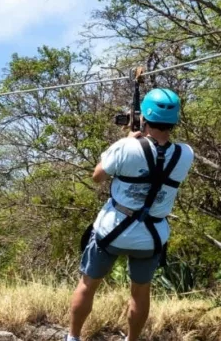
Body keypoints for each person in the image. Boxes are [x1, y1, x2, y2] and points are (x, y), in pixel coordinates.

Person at [67, 88, 195, 341]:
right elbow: (159, 158)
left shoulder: (126, 146)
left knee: (88, 284)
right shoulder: (185, 154)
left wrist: (127, 139)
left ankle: (73, 337)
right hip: (151, 237)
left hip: (112, 231)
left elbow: (97, 176)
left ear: (144, 117)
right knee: (140, 291)